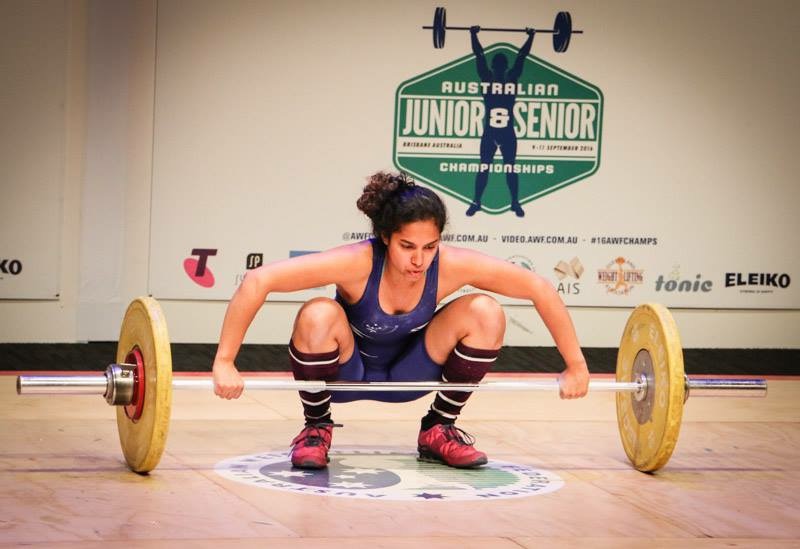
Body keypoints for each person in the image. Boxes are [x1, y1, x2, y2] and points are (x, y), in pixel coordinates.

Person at [212, 172, 589, 470]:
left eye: (430, 247)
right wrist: (225, 361)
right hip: (347, 374)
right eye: (407, 246)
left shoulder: (452, 266)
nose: (419, 260)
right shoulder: (357, 262)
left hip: (413, 372)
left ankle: (439, 429)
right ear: (384, 238)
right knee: (317, 313)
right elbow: (257, 280)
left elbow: (539, 289)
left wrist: (576, 365)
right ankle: (316, 428)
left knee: (485, 311)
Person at [467, 26, 535, 218]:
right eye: (496, 64)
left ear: (503, 67)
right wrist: (473, 35)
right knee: (484, 167)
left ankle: (515, 202)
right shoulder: (487, 78)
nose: (497, 67)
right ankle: (476, 202)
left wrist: (531, 37)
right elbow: (479, 55)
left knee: (510, 167)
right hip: (490, 133)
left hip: (506, 133)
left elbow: (522, 56)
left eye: (499, 64)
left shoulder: (511, 79)